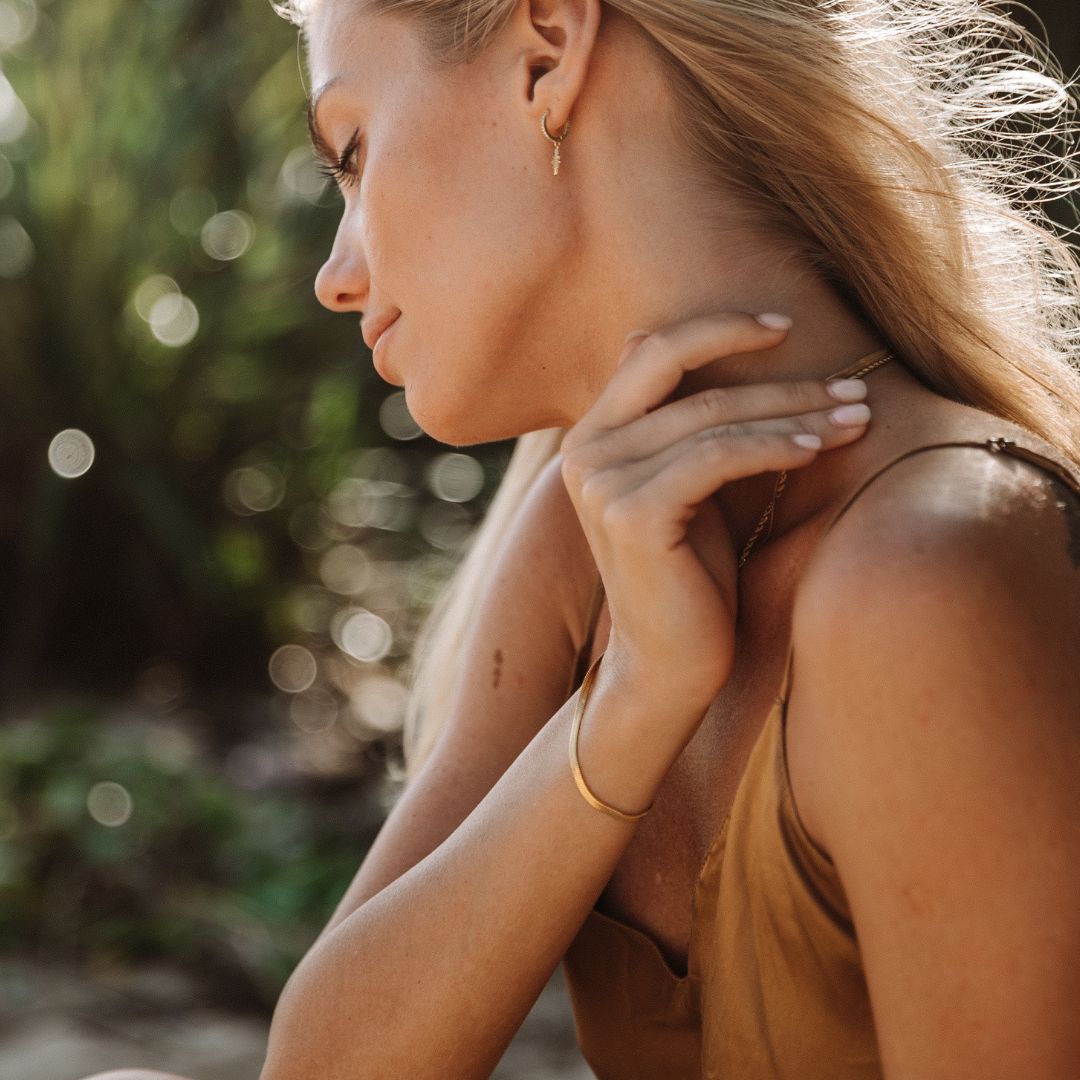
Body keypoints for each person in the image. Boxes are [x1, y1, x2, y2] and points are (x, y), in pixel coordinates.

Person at [85, 0, 1080, 1078]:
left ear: (548, 51)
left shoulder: (933, 566)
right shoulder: (588, 537)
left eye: (355, 152)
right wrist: (633, 706)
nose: (336, 274)